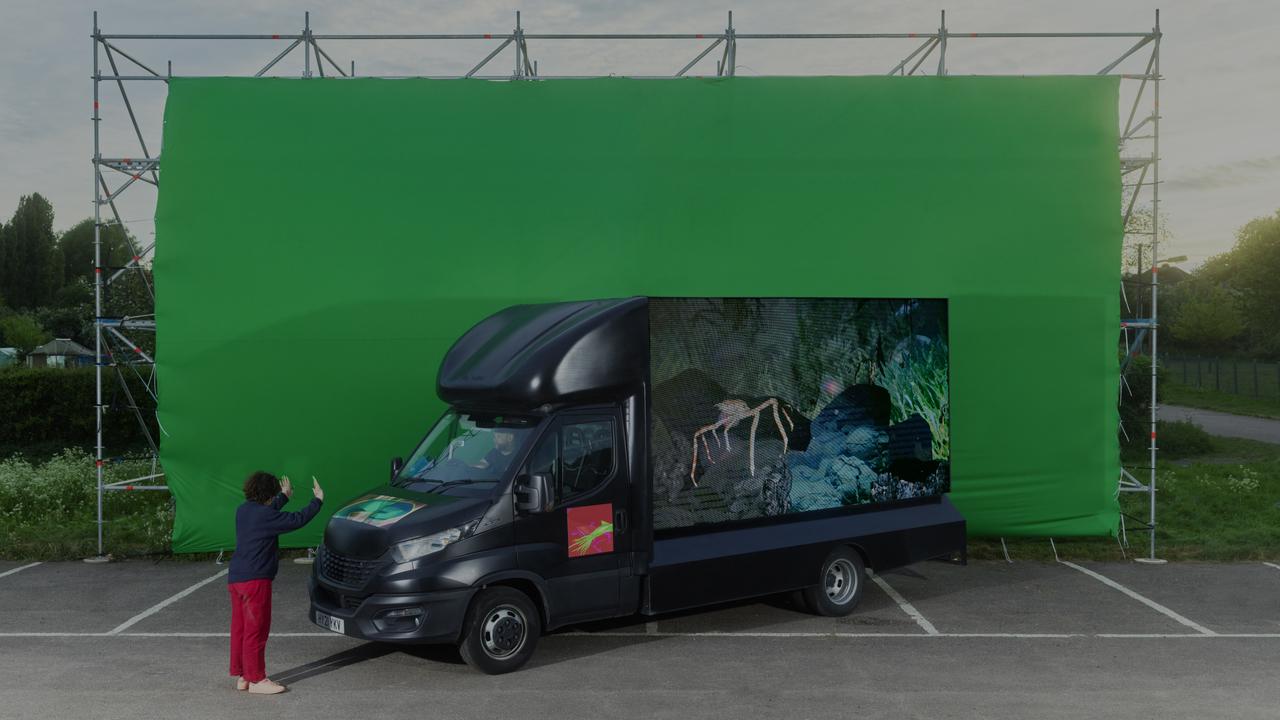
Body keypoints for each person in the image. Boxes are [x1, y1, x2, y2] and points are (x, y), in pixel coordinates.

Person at [227, 472, 324, 695]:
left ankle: (243, 675)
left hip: (236, 579)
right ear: (269, 495)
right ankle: (257, 679)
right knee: (256, 631)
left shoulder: (243, 511)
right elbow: (297, 519)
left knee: (241, 629)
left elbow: (267, 511)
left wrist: (284, 496)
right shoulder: (265, 516)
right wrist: (317, 500)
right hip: (255, 581)